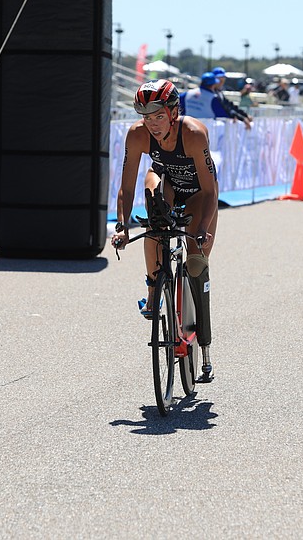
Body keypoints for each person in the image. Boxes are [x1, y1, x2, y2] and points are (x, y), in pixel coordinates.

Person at [111, 79, 218, 383]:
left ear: (173, 113)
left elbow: (211, 191)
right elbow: (126, 187)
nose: (152, 124)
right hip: (167, 184)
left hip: (198, 194)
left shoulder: (194, 134)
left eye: (158, 116)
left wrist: (203, 230)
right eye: (146, 117)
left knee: (197, 265)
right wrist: (122, 225)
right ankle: (152, 290)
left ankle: (204, 345)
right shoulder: (137, 136)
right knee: (155, 215)